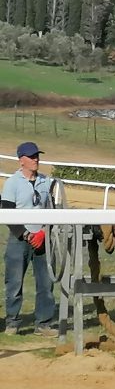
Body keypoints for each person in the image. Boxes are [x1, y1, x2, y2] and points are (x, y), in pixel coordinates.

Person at [1, 142, 58, 336]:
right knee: (14, 282)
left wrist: (43, 232)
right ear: (21, 160)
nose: (36, 159)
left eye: (37, 156)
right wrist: (25, 234)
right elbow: (7, 212)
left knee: (45, 283)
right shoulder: (12, 183)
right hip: (19, 240)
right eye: (32, 156)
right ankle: (12, 322)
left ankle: (44, 323)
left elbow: (52, 210)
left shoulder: (46, 182)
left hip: (42, 239)